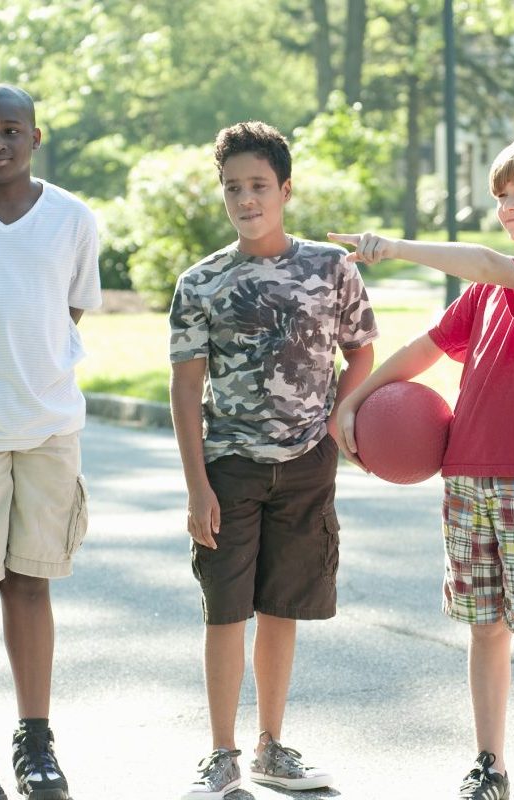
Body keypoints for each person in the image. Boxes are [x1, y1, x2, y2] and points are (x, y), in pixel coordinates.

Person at [328, 136, 514, 800]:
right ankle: (489, 764)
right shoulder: (485, 297)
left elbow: (491, 264)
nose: (510, 204)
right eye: (501, 195)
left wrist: (394, 247)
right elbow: (425, 346)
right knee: (484, 626)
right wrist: (356, 401)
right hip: (466, 474)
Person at [169, 121, 377, 800]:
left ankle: (270, 746)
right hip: (229, 467)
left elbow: (362, 350)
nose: (245, 198)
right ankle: (221, 753)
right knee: (225, 610)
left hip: (307, 463)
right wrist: (197, 485)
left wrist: (340, 421)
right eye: (233, 187)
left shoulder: (330, 267)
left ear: (285, 190)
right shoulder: (201, 282)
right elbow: (185, 385)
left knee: (282, 606)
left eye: (258, 185)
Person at [0, 83, 101, 800]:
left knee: (30, 584)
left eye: (10, 130)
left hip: (49, 429)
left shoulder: (72, 219)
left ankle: (35, 741)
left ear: (35, 137)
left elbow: (67, 310)